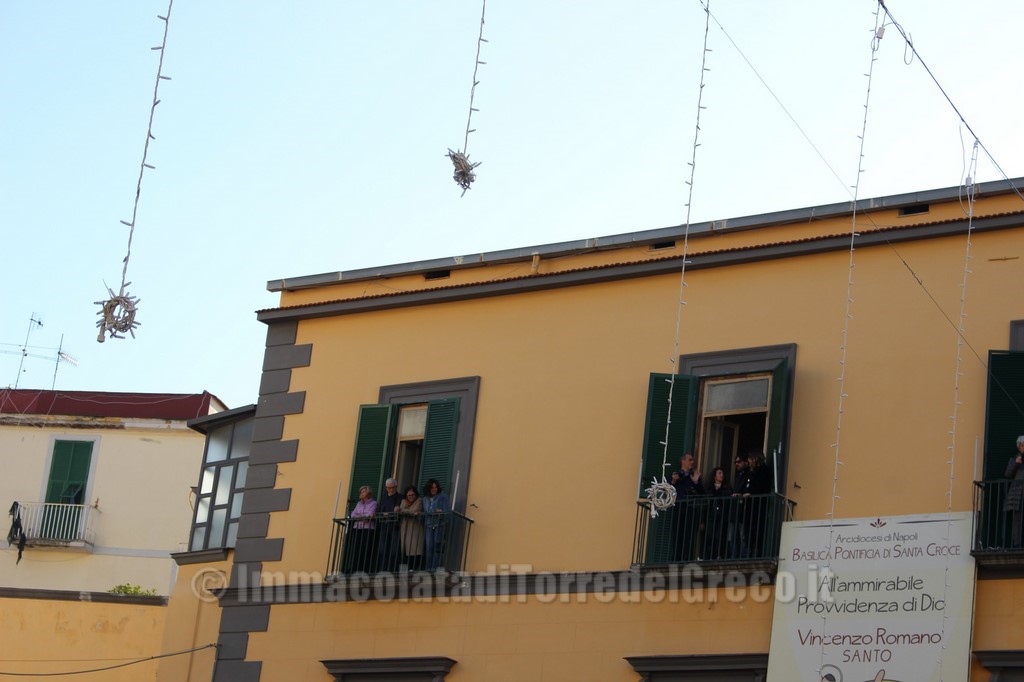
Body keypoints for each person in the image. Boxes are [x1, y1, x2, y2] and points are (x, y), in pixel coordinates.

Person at [672, 453, 703, 561]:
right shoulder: (675, 475)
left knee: (689, 535)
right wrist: (673, 481)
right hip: (679, 507)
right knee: (677, 534)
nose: (692, 462)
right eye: (690, 460)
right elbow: (668, 488)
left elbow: (702, 492)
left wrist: (696, 482)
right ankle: (676, 559)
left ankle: (686, 559)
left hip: (690, 508)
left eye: (693, 460)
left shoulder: (694, 476)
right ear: (683, 461)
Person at [702, 467, 733, 560]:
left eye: (722, 473)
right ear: (714, 476)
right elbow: (705, 505)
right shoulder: (709, 489)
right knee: (709, 537)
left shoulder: (727, 488)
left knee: (720, 537)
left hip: (722, 516)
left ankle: (719, 556)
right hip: (711, 516)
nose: (721, 475)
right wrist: (702, 520)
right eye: (719, 473)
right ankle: (708, 557)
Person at [422, 479, 450, 571]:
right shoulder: (425, 499)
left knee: (437, 546)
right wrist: (434, 511)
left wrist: (441, 512)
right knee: (429, 547)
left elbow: (447, 511)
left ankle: (435, 568)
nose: (434, 489)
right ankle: (428, 568)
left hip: (440, 524)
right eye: (432, 488)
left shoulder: (443, 496)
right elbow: (427, 511)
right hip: (429, 525)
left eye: (436, 487)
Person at [347, 485, 377, 573]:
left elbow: (369, 516)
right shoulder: (359, 504)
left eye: (363, 491)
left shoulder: (374, 503)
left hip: (368, 530)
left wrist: (360, 516)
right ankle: (355, 570)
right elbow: (352, 515)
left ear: (369, 493)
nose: (361, 493)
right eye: (361, 492)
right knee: (356, 550)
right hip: (357, 529)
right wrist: (363, 517)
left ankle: (364, 570)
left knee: (365, 550)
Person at [377, 478, 402, 571]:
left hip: (395, 525)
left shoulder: (400, 497)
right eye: (389, 488)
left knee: (394, 549)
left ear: (396, 487)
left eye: (393, 487)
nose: (391, 490)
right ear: (386, 488)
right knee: (382, 549)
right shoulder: (383, 499)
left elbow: (401, 509)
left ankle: (393, 569)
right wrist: (383, 514)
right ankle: (383, 569)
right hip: (384, 525)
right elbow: (378, 511)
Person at [398, 485, 425, 570]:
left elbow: (414, 511)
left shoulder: (419, 501)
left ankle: (413, 569)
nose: (411, 497)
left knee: (415, 550)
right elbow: (406, 512)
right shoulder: (403, 501)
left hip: (415, 529)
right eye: (409, 495)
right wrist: (404, 511)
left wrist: (402, 510)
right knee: (404, 552)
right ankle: (405, 570)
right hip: (404, 529)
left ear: (415, 494)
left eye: (413, 495)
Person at [1005, 436, 1024, 548]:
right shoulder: (1014, 459)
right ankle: (1017, 544)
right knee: (1017, 519)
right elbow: (1008, 474)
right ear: (1019, 447)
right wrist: (1016, 463)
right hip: (1018, 493)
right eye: (1022, 445)